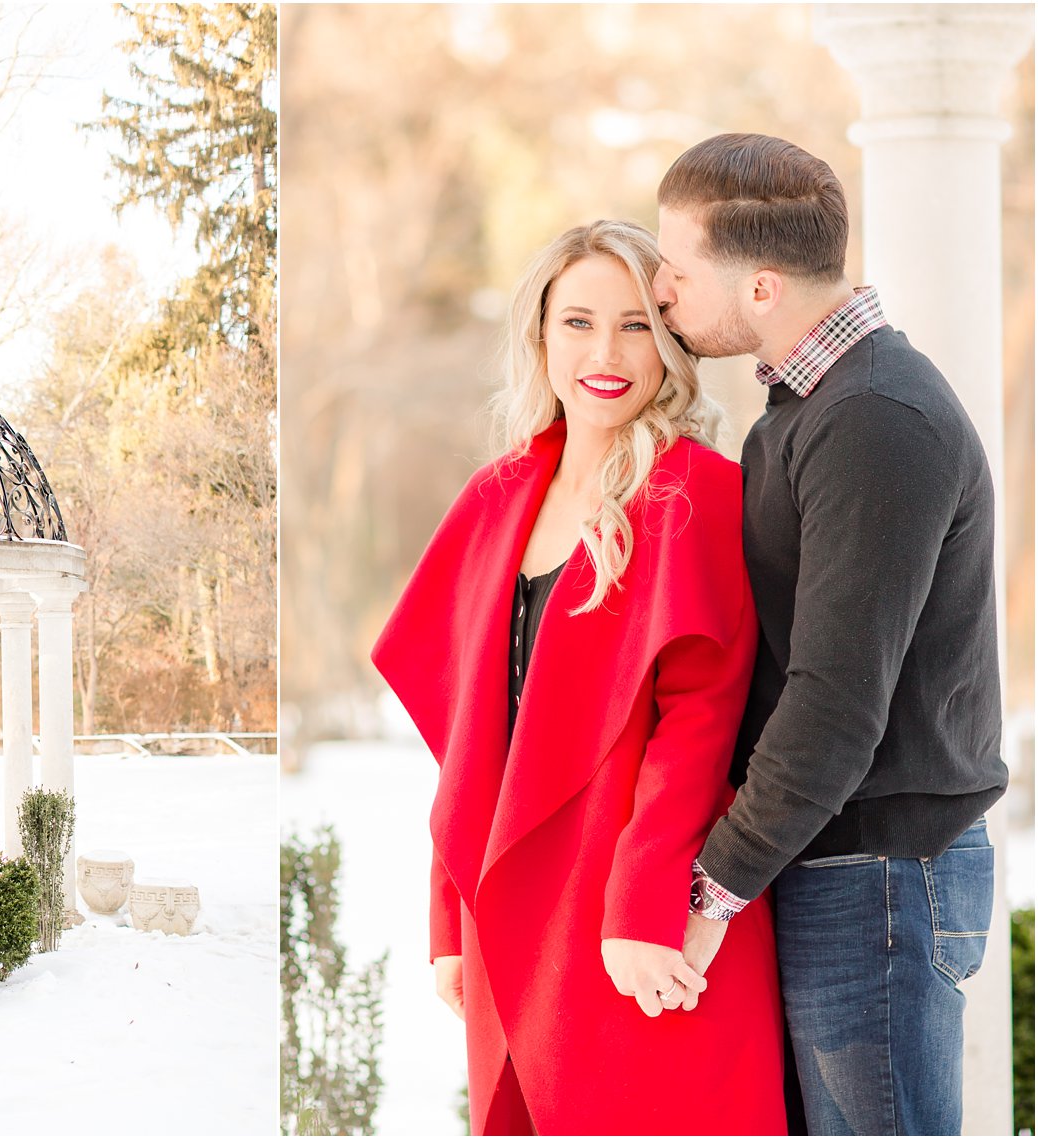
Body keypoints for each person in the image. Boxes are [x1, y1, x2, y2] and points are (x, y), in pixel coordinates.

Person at [373, 219, 786, 1136]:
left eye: (638, 324)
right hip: (514, 907)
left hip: (639, 918)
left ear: (672, 341)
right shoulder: (495, 497)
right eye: (578, 323)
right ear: (540, 337)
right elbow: (468, 739)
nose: (606, 353)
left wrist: (644, 908)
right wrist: (451, 917)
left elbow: (700, 720)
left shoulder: (698, 491)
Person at [652, 133, 1008, 1136]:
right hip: (839, 865)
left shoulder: (874, 418)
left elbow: (834, 699)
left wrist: (709, 890)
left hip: (877, 879)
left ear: (759, 287)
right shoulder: (808, 408)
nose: (662, 292)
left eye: (676, 271)